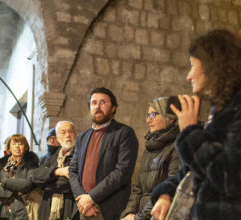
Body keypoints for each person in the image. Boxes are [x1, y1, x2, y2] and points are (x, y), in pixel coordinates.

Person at [150, 29, 241, 220]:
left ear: (213, 67)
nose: (188, 76)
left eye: (192, 66)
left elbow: (230, 178)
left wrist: (191, 132)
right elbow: (194, 172)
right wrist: (167, 193)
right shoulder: (220, 111)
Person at [69, 87, 139, 219]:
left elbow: (122, 172)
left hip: (107, 209)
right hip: (82, 208)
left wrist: (91, 197)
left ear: (113, 108)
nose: (98, 106)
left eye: (103, 102)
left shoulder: (124, 133)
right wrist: (82, 200)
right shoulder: (82, 137)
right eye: (94, 103)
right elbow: (72, 170)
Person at [120, 97, 180, 220]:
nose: (148, 120)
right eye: (147, 115)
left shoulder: (177, 146)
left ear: (170, 117)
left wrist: (139, 217)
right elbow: (138, 188)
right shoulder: (149, 147)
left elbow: (170, 189)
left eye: (153, 114)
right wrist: (129, 213)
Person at [33, 121, 77, 220]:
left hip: (69, 204)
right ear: (57, 137)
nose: (68, 135)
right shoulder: (50, 157)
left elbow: (69, 183)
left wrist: (47, 180)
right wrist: (57, 171)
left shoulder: (80, 155)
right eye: (63, 132)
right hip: (48, 205)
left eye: (71, 131)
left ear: (75, 134)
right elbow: (35, 177)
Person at [0, 134, 39, 220]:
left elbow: (27, 184)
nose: (17, 146)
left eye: (20, 144)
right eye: (14, 144)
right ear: (9, 148)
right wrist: (12, 193)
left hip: (20, 208)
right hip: (1, 209)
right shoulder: (4, 164)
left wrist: (4, 182)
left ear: (25, 147)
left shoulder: (30, 164)